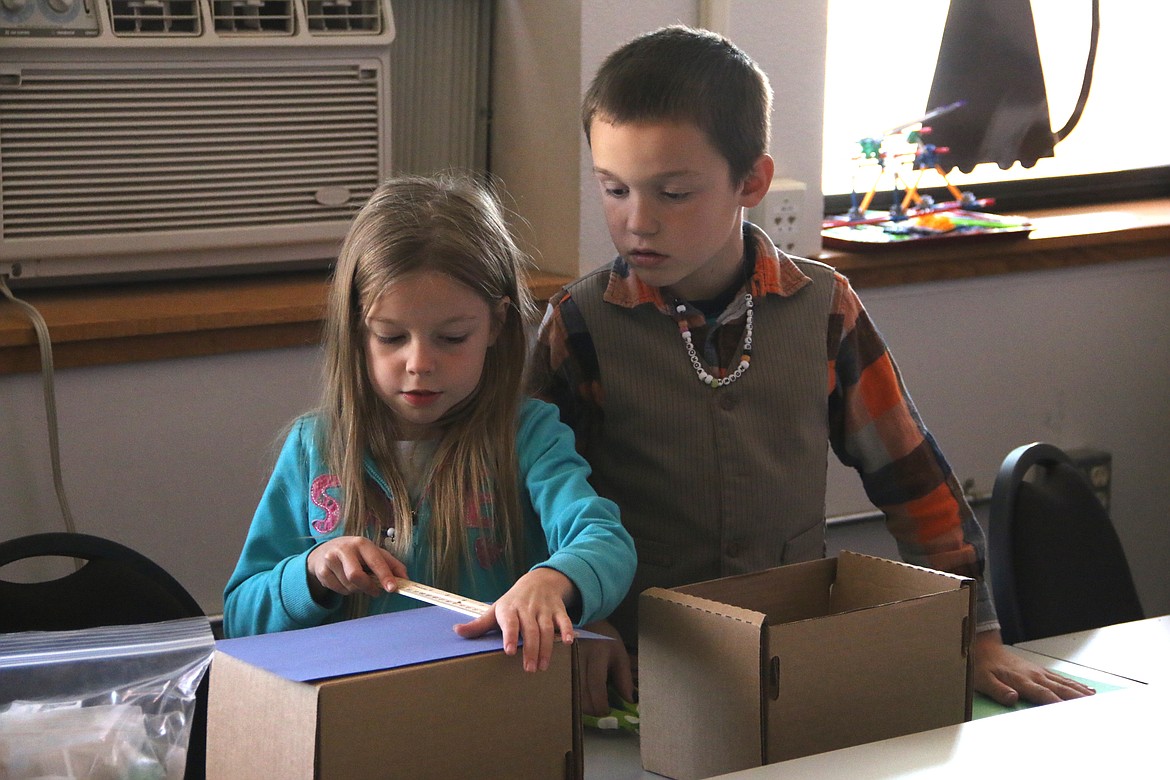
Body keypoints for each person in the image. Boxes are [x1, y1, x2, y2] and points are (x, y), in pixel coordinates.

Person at [530, 24, 1094, 712]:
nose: (637, 222)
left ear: (752, 181)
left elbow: (914, 480)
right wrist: (582, 626)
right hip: (635, 663)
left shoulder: (824, 307)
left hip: (789, 655)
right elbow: (539, 502)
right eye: (614, 189)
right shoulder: (580, 323)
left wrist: (974, 633)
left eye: (673, 193)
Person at [224, 173, 636, 675]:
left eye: (452, 337)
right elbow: (241, 618)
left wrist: (554, 581)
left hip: (488, 702)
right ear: (358, 329)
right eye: (392, 337)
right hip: (351, 710)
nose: (419, 363)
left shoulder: (529, 436)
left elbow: (606, 541)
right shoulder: (315, 446)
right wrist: (311, 573)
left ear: (497, 325)